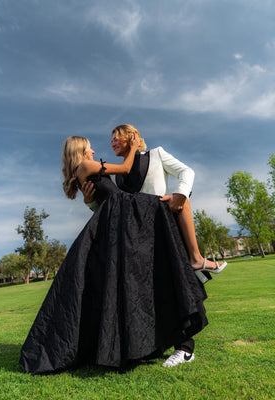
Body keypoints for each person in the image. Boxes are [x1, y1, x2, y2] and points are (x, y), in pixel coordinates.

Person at [19, 135, 208, 375]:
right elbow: (126, 168)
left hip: (126, 222)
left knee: (145, 280)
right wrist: (134, 145)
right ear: (80, 150)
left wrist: (90, 199)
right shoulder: (86, 166)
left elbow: (105, 196)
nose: (93, 150)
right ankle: (197, 261)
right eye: (89, 147)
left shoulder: (88, 169)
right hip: (125, 220)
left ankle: (196, 263)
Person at [83, 124, 226, 367]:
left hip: (163, 230)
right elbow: (112, 209)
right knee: (145, 293)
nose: (112, 143)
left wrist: (181, 194)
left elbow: (187, 172)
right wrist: (90, 202)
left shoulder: (157, 154)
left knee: (175, 285)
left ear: (131, 137)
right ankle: (150, 345)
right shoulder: (115, 174)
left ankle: (185, 348)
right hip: (134, 241)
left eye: (116, 138)